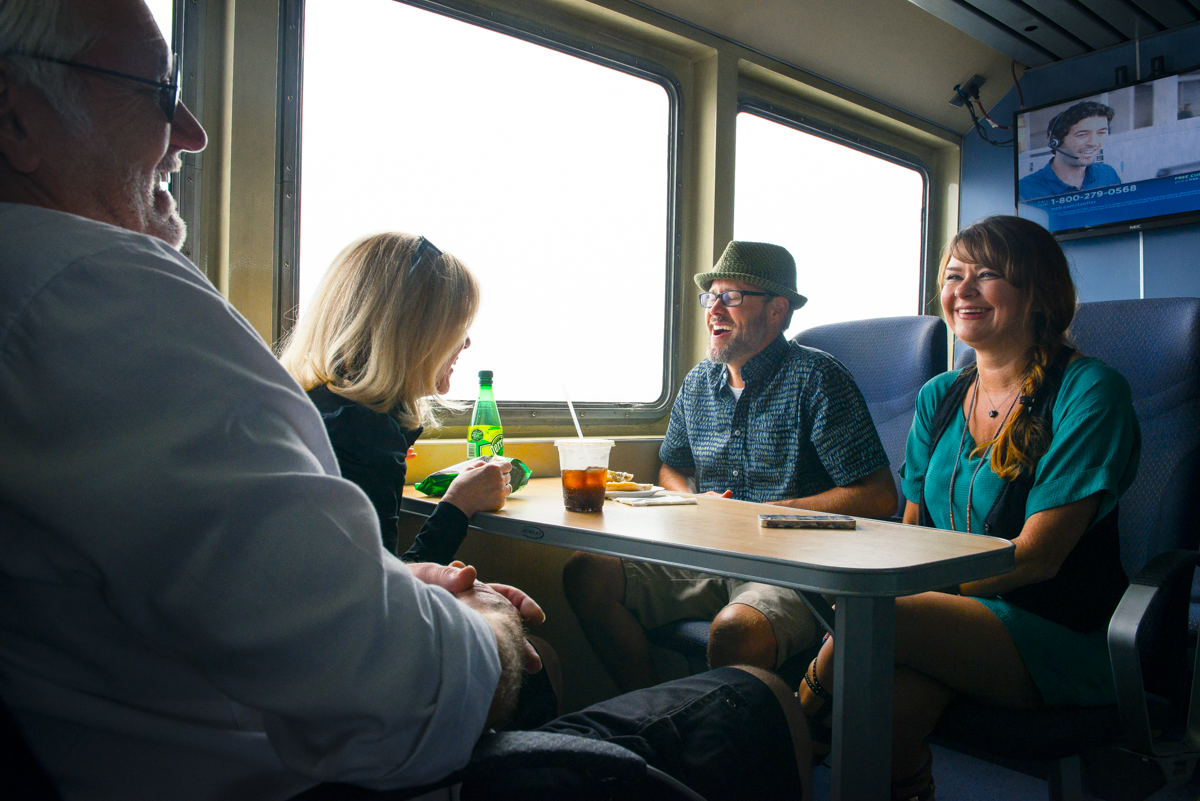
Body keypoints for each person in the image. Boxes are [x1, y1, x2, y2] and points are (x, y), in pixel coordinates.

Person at [0, 1, 813, 799]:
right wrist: (486, 618)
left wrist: (408, 576)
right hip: (326, 770)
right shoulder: (104, 298)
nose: (192, 130)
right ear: (18, 120)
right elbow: (385, 691)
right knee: (749, 694)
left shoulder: (74, 321)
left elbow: (268, 589)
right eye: (153, 90)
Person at [797, 215, 1140, 800]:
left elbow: (1036, 560)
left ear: (1039, 293)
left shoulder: (1090, 390)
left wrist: (909, 597)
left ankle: (782, 742)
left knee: (879, 619)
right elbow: (911, 527)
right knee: (886, 722)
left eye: (988, 275)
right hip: (955, 621)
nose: (963, 290)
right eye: (954, 276)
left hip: (1061, 631)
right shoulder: (939, 395)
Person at [564, 240, 897, 692]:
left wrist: (770, 513)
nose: (714, 308)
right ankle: (649, 713)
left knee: (735, 632)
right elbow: (672, 465)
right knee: (586, 573)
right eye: (711, 295)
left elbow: (876, 496)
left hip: (793, 569)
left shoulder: (817, 378)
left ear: (776, 310)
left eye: (732, 297)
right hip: (709, 555)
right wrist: (688, 501)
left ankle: (737, 745)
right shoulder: (699, 382)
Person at [279, 232, 507, 562]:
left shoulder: (315, 409)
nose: (466, 342)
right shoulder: (361, 434)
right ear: (414, 333)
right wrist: (458, 504)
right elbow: (382, 595)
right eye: (455, 326)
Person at [1019, 101, 1121, 202]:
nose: (1094, 143)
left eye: (1101, 133)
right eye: (1082, 134)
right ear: (1054, 141)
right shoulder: (1025, 190)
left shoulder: (1108, 174)